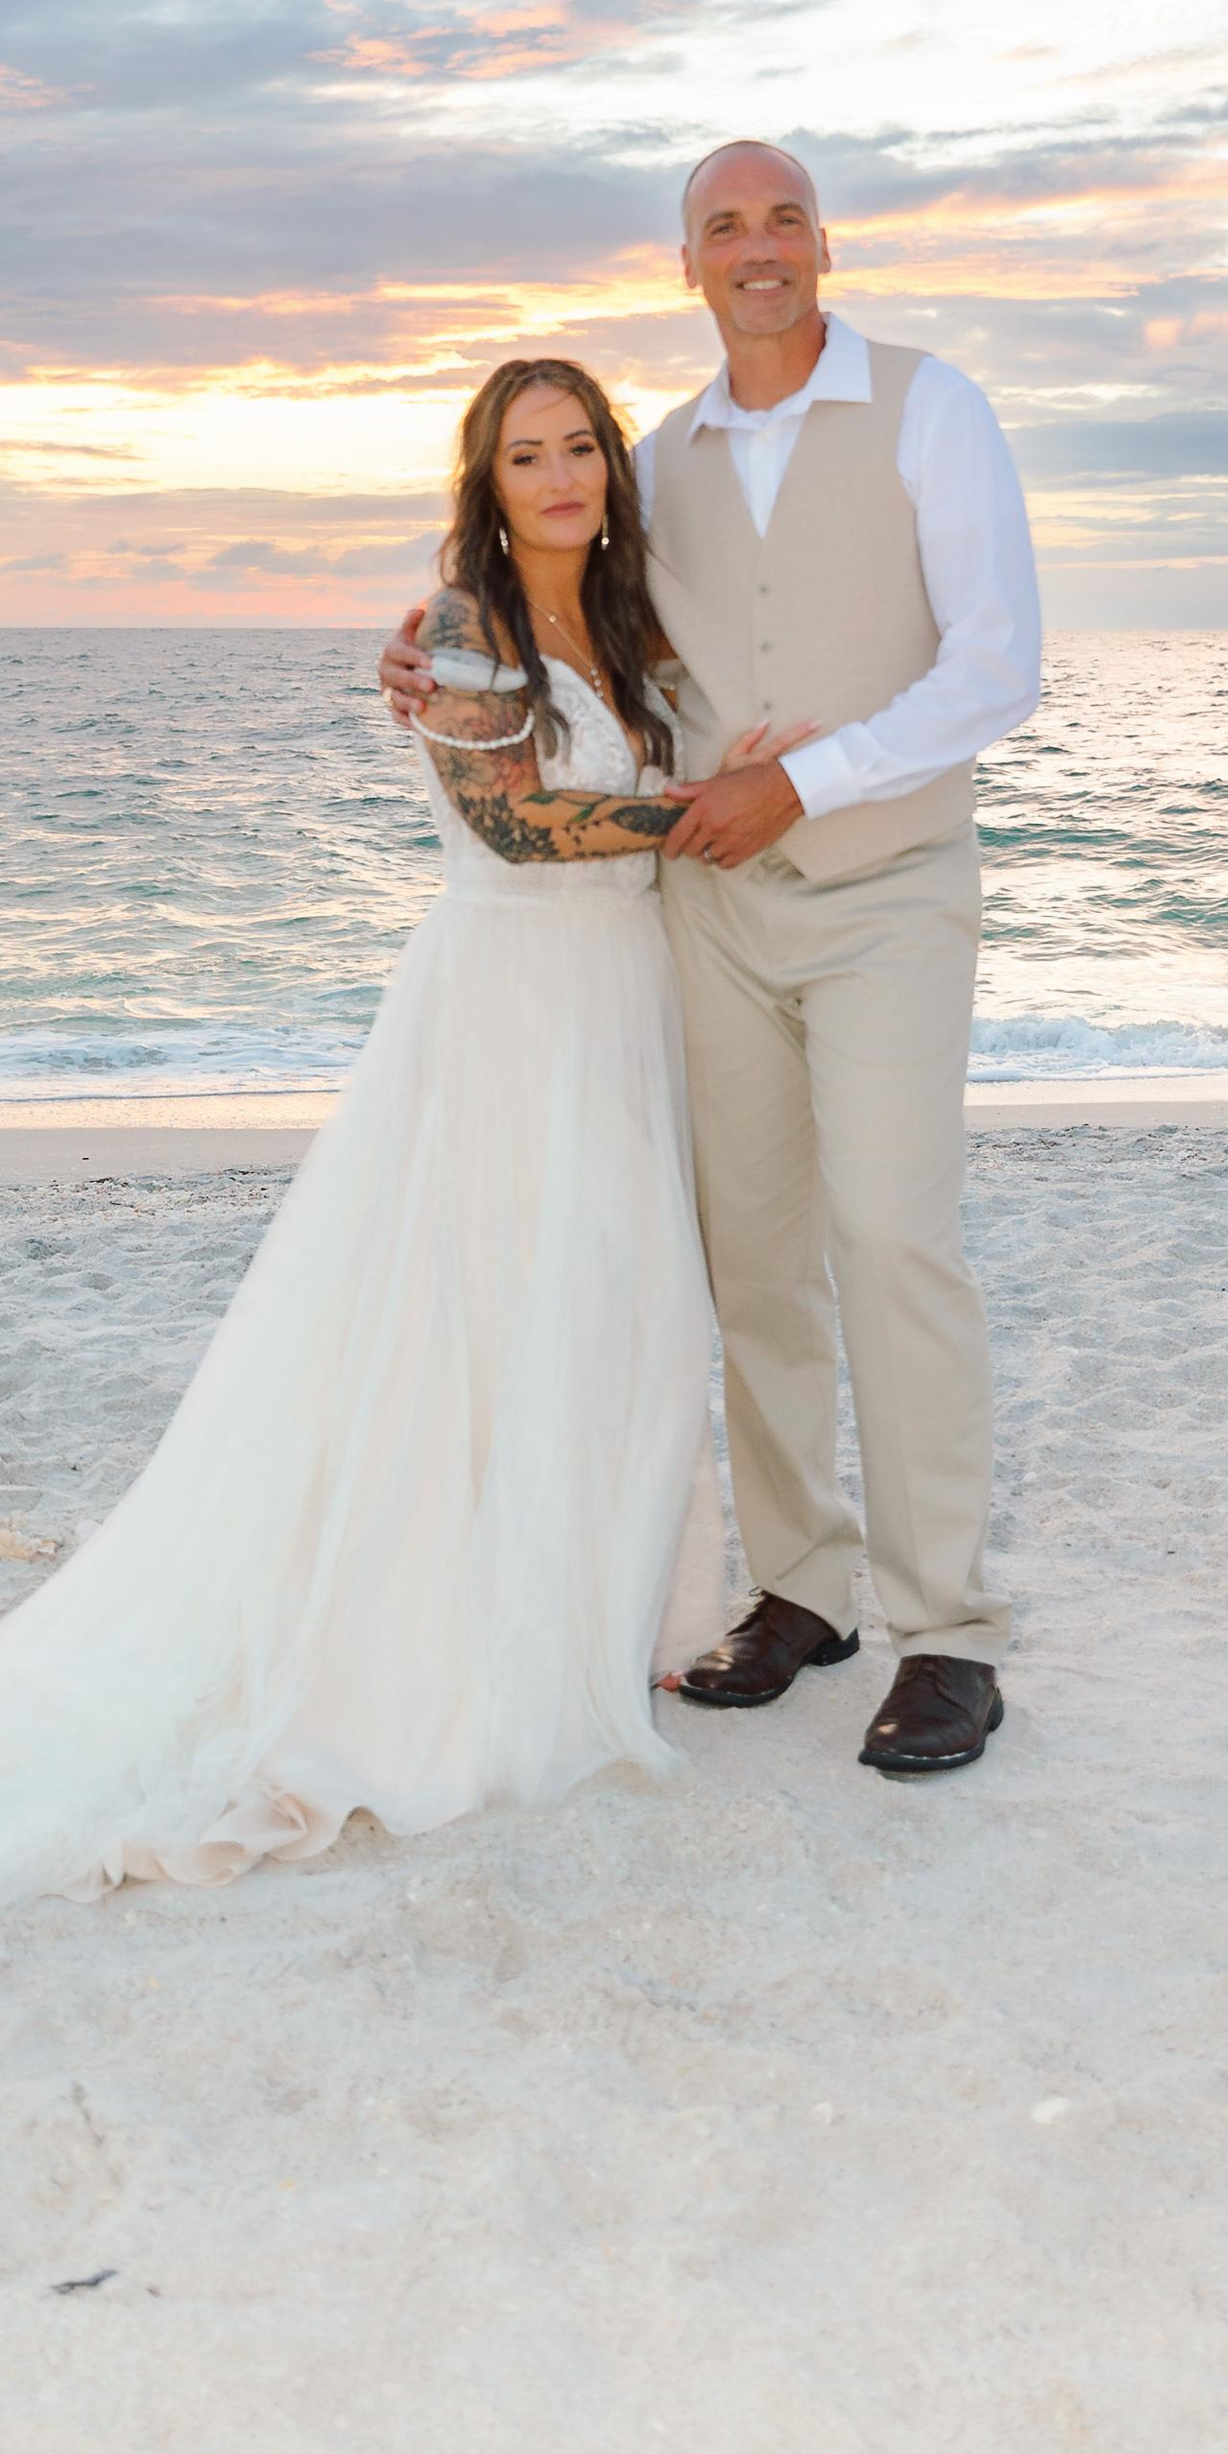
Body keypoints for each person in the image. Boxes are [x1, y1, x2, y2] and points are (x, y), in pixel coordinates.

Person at [0, 359, 798, 1935]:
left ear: (611, 471)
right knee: (482, 1303)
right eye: (523, 456)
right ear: (484, 483)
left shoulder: (625, 625)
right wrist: (707, 807)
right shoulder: (463, 627)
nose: (557, 479)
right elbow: (509, 822)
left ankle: (623, 1610)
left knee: (617, 1297)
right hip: (507, 997)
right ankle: (467, 1635)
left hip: (622, 990)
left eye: (577, 451)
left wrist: (769, 764)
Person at [383, 140, 1042, 1777]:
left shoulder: (929, 407)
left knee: (890, 1238)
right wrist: (434, 634)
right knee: (749, 1263)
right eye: (724, 227)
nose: (759, 249)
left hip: (886, 887)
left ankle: (945, 1628)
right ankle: (802, 1589)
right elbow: (572, 601)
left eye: (784, 219)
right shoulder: (657, 457)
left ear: (825, 243)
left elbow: (1000, 666)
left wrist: (800, 783)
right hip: (712, 915)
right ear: (689, 265)